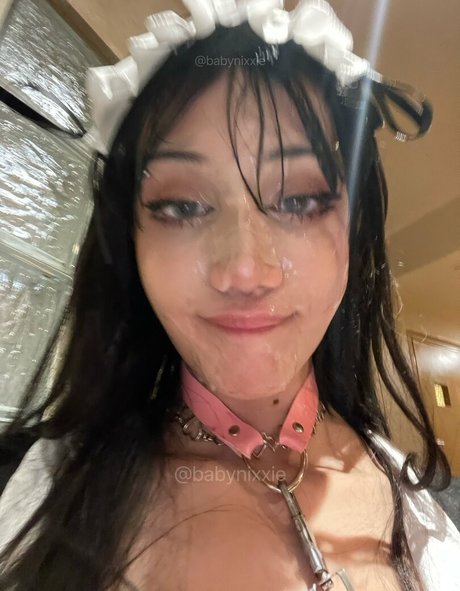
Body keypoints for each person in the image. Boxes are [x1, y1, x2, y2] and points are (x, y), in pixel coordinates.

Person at [0, 1, 459, 590]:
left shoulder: (420, 506)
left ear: (355, 231)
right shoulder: (36, 493)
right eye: (182, 205)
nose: (244, 271)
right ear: (130, 240)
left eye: (299, 200)